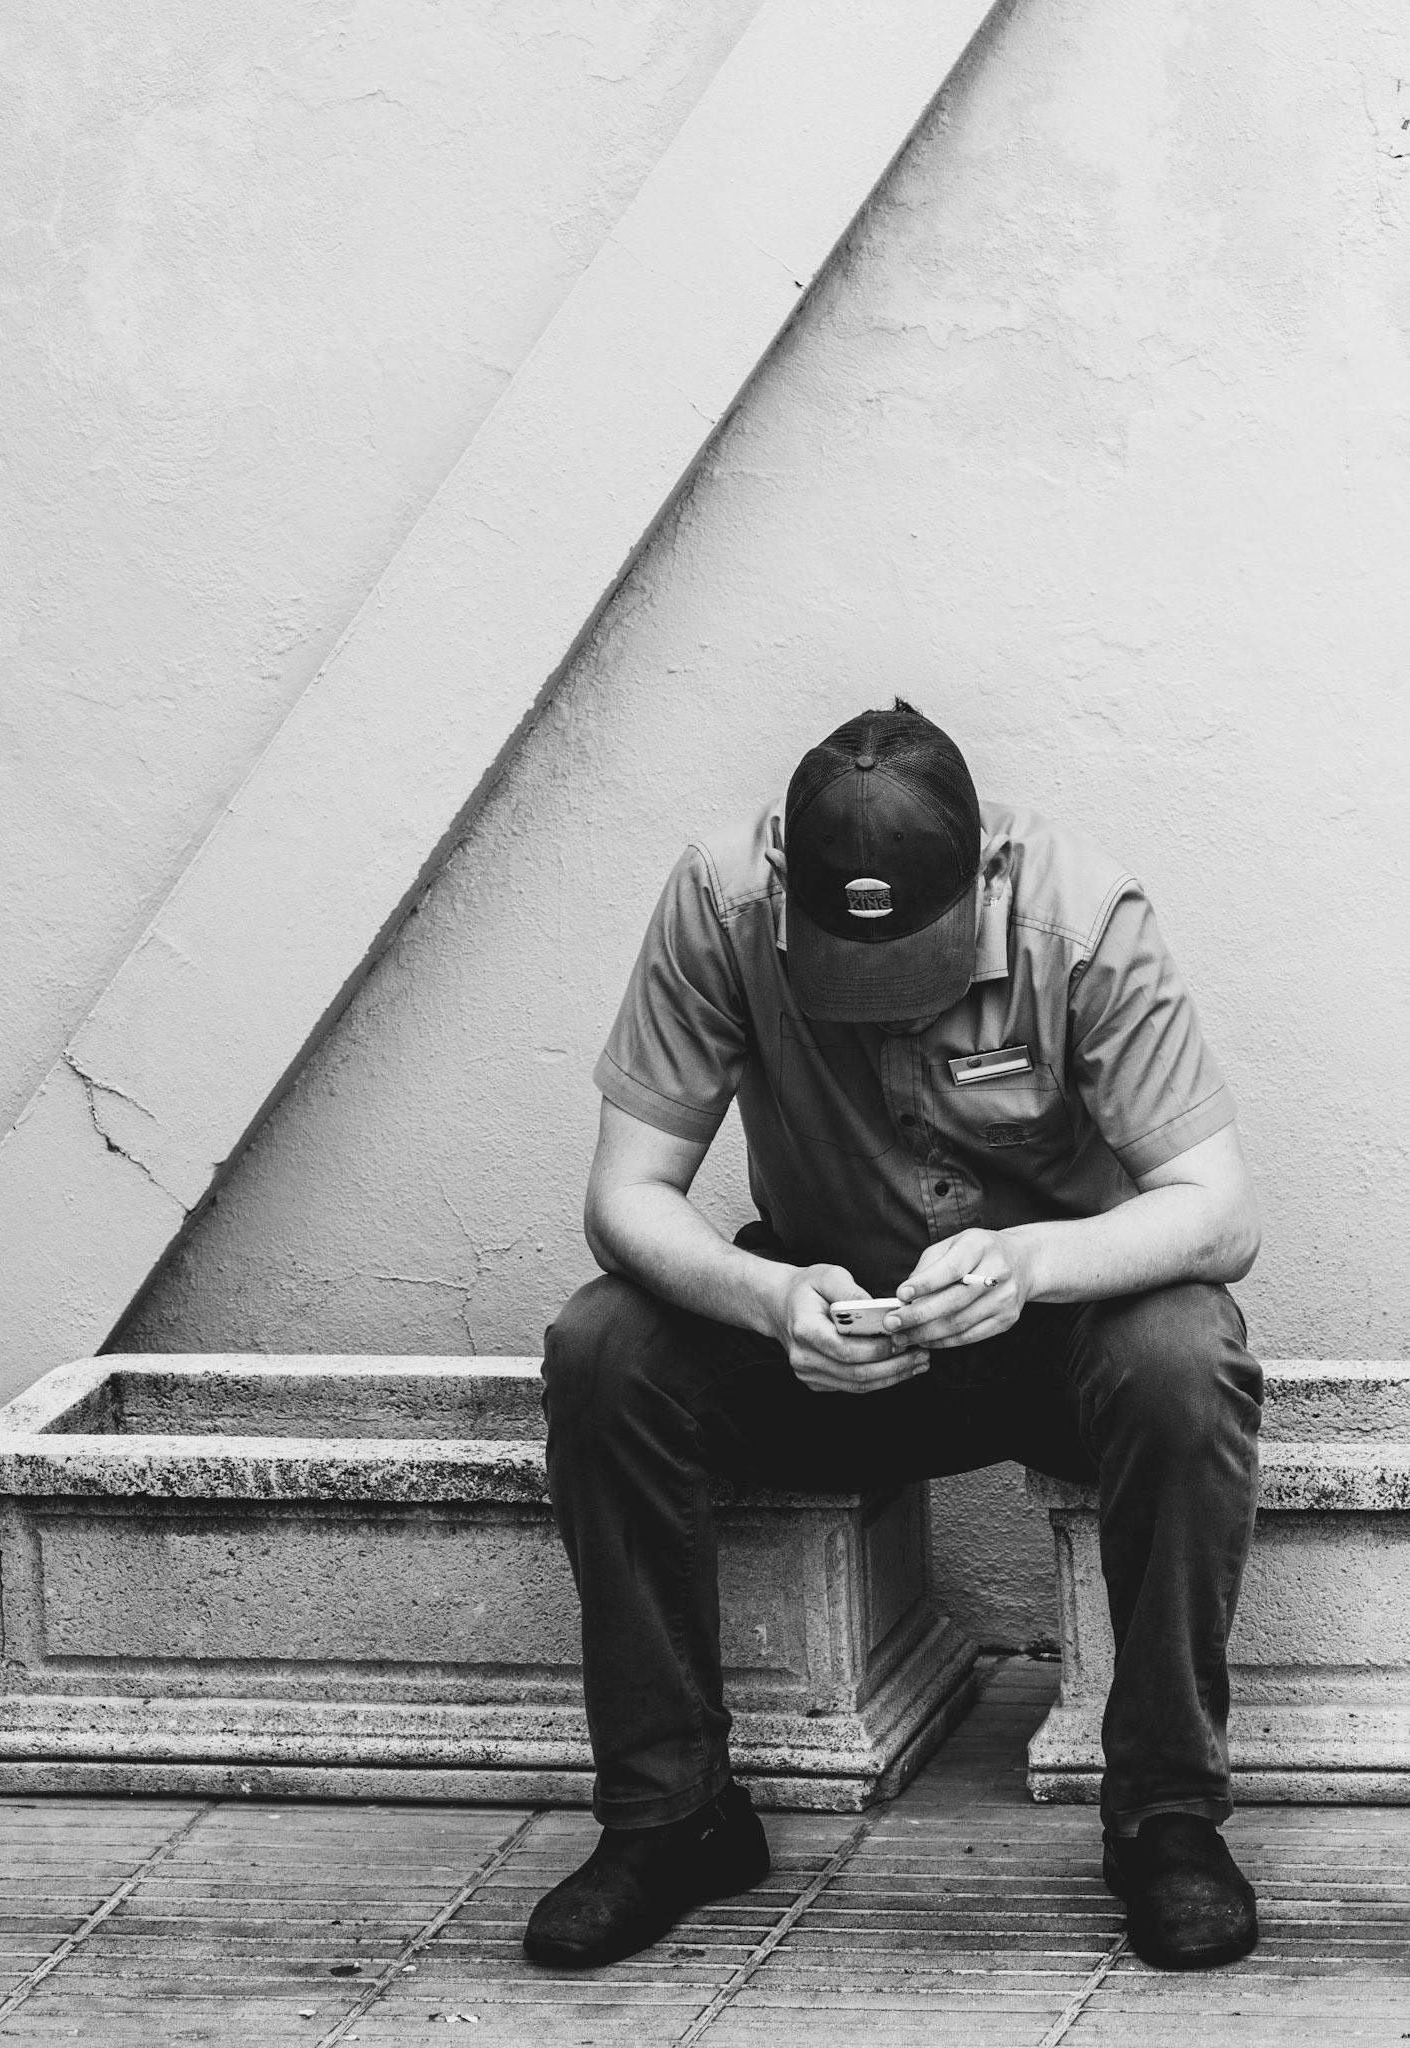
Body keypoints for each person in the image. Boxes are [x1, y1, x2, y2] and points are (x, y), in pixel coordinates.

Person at [523, 701, 1263, 1974]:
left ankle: (1164, 1814)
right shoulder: (715, 905)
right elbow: (621, 1196)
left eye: (912, 971)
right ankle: (673, 1812)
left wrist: (1030, 1264)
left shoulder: (1079, 918)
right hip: (827, 1329)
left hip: (1050, 1330)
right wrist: (770, 1301)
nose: (881, 1012)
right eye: (845, 978)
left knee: (1185, 1354)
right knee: (600, 1348)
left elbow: (1217, 1211)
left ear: (981, 879)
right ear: (780, 884)